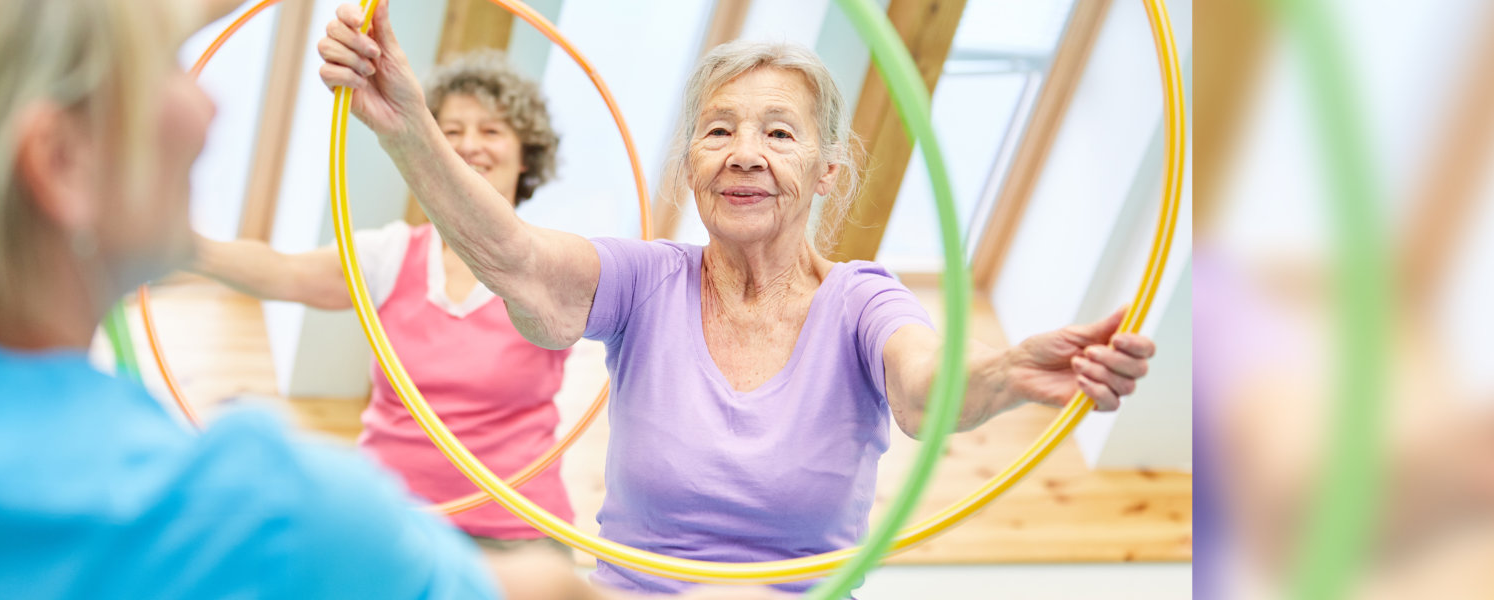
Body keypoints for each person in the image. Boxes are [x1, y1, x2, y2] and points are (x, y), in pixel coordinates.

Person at [0, 1, 785, 598]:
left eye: (489, 136)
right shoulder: (267, 512)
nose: (211, 114)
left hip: (505, 525)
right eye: (164, 67)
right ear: (59, 165)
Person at [317, 3, 1159, 595]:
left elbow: (925, 385)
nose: (743, 153)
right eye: (718, 130)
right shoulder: (648, 280)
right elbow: (519, 261)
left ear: (829, 172)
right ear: (691, 163)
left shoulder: (863, 302)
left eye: (778, 132)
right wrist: (407, 128)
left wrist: (1010, 369)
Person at [192, 50, 573, 555]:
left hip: (515, 526)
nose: (469, 145)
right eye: (451, 131)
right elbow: (283, 273)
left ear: (527, 154)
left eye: (491, 131)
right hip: (391, 517)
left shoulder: (560, 265)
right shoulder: (393, 254)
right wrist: (181, 247)